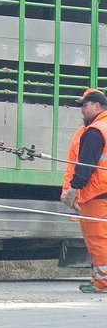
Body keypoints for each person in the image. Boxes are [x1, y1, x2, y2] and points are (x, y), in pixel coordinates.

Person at [61, 88, 107, 293]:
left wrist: (73, 189)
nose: (82, 110)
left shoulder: (95, 131)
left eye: (85, 106)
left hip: (97, 193)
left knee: (97, 237)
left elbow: (85, 165)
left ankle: (102, 282)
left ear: (97, 106)